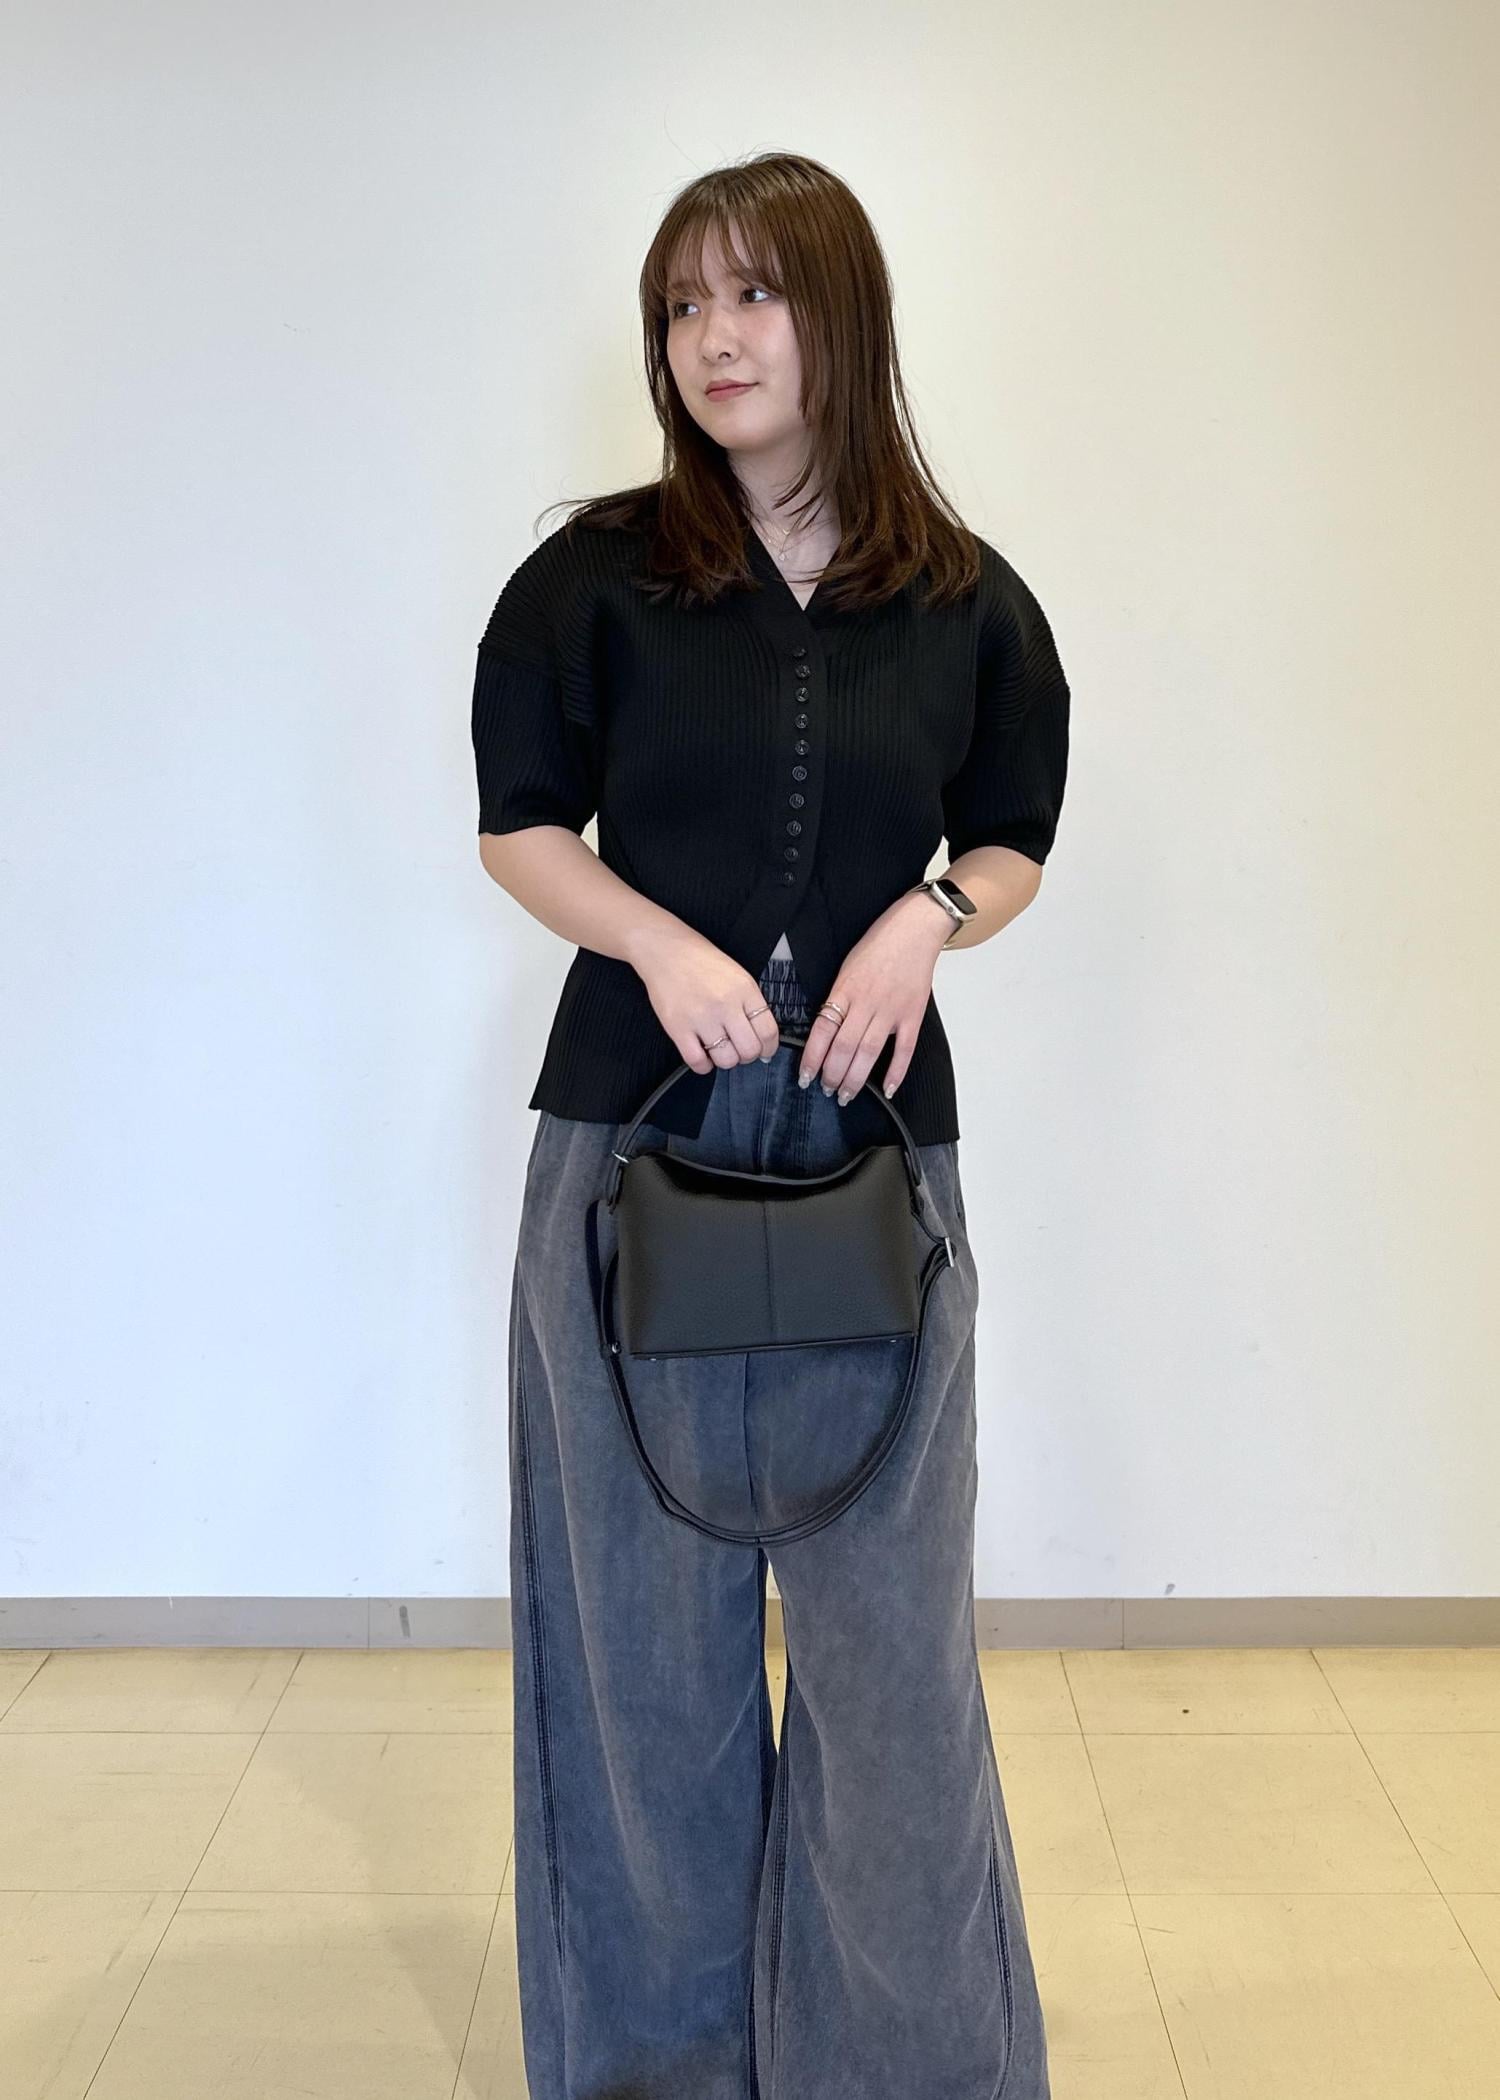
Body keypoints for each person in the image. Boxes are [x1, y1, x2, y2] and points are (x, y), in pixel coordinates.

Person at [474, 150, 1069, 2100]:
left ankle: (905, 2069)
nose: (712, 338)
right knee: (640, 1652)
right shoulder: (590, 582)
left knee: (891, 1656)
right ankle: (657, 2070)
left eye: (754, 293)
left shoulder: (965, 598)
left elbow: (1014, 831)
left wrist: (930, 916)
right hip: (631, 1152)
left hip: (875, 1157)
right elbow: (519, 825)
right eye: (682, 303)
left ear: (841, 314)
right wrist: (657, 944)